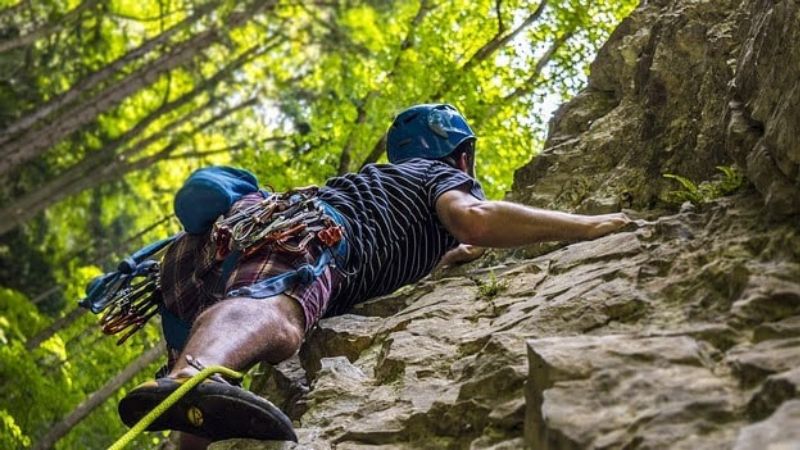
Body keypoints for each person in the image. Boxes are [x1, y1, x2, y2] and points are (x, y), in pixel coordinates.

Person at [118, 104, 631, 448]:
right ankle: (190, 376)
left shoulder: (388, 190)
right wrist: (588, 226)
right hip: (307, 231)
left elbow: (446, 247)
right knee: (281, 312)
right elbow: (475, 218)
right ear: (462, 155)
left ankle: (186, 413)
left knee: (204, 399)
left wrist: (452, 257)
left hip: (195, 262)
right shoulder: (439, 177)